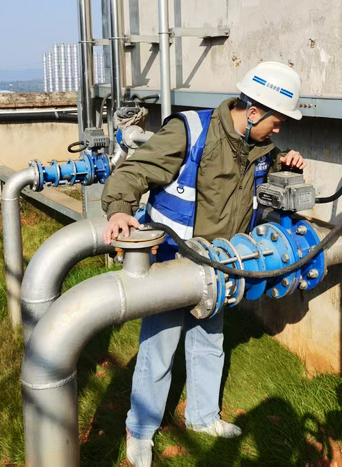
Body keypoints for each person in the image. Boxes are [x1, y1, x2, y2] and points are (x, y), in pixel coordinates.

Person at [101, 61, 307, 466]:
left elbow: (266, 172)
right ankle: (140, 430)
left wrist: (288, 163)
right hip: (173, 262)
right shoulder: (191, 131)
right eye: (277, 121)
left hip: (219, 265)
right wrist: (119, 209)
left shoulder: (261, 149)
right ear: (253, 112)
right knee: (159, 348)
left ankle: (202, 417)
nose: (278, 129)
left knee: (209, 340)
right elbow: (135, 170)